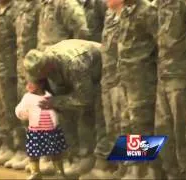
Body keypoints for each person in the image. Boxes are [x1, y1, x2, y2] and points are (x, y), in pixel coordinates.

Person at [24, 39, 102, 178]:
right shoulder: (41, 60)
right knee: (64, 114)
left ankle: (93, 159)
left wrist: (56, 101)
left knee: (92, 116)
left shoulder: (74, 63)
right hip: (77, 78)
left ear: (47, 69)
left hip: (102, 73)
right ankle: (73, 157)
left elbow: (85, 99)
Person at [107, 0, 160, 179]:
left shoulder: (147, 11)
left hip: (143, 79)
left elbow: (160, 42)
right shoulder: (127, 12)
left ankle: (147, 170)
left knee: (142, 123)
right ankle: (132, 167)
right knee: (128, 122)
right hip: (127, 78)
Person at [80, 7, 124, 180]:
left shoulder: (144, 11)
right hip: (110, 77)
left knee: (136, 124)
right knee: (113, 125)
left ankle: (141, 170)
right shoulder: (110, 13)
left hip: (136, 80)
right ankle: (123, 168)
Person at [155, 0, 186, 179]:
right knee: (161, 129)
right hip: (160, 76)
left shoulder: (184, 4)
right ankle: (167, 171)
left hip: (179, 76)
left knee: (181, 131)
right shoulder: (157, 5)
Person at [0, 0, 23, 166]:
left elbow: (20, 41)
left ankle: (21, 149)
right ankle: (7, 146)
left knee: (11, 111)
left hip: (9, 70)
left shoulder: (15, 11)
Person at [6, 0, 40, 170]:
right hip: (116, 75)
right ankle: (130, 165)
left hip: (127, 76)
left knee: (131, 119)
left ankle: (132, 165)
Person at [15, 79, 68, 180]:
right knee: (33, 153)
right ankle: (35, 172)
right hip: (36, 131)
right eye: (27, 82)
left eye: (32, 82)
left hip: (52, 130)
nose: (28, 85)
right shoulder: (27, 97)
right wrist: (23, 114)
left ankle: (59, 171)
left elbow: (57, 109)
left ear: (41, 84)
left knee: (56, 152)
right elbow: (19, 109)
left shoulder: (50, 96)